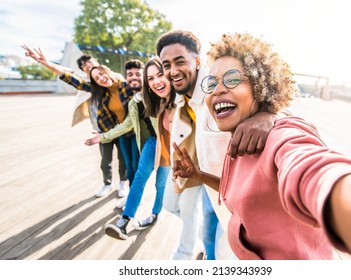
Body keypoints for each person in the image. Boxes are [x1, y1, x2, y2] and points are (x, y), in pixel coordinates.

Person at [172, 32, 351, 260]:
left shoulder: (279, 135)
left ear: (260, 86)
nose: (218, 89)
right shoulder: (240, 135)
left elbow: (312, 169)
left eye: (233, 79)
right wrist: (198, 175)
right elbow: (243, 191)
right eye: (212, 82)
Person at [156, 30, 275, 260]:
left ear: (197, 61)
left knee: (226, 251)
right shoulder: (181, 98)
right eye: (167, 65)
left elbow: (266, 102)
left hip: (238, 198)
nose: (173, 71)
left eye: (180, 61)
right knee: (208, 236)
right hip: (212, 185)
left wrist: (268, 116)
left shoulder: (215, 88)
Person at [85, 57, 175, 239]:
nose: (155, 81)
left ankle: (154, 214)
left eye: (159, 75)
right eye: (150, 78)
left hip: (169, 144)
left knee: (161, 183)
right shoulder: (137, 101)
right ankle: (125, 220)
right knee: (140, 177)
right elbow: (126, 124)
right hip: (152, 141)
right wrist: (103, 137)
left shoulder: (173, 96)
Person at [21, 45, 128, 198]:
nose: (89, 67)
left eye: (91, 63)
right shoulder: (94, 86)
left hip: (123, 127)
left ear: (98, 63)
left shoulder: (117, 79)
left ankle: (123, 182)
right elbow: (71, 78)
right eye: (85, 67)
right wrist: (46, 63)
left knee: (123, 158)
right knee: (105, 160)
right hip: (104, 128)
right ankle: (107, 183)